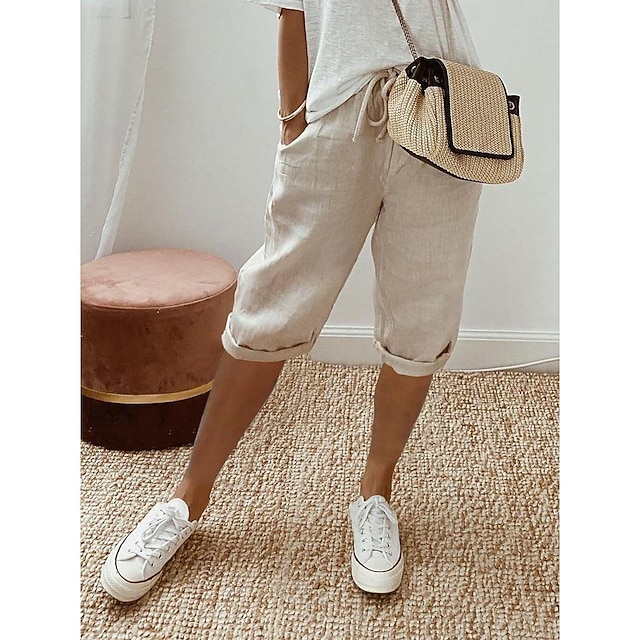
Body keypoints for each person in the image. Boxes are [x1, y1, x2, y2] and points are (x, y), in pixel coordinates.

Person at [100, 0, 484, 601]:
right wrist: (293, 121)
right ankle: (186, 498)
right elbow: (293, 9)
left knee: (423, 315)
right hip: (338, 111)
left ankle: (375, 494)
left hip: (442, 108)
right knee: (270, 309)